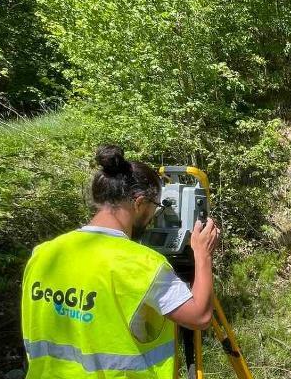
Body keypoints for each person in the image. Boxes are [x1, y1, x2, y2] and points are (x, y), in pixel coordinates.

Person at [21, 145, 219, 378]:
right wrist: (203, 254)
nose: (154, 217)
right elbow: (200, 317)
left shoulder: (43, 254)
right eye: (155, 207)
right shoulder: (141, 264)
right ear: (139, 202)